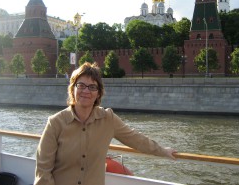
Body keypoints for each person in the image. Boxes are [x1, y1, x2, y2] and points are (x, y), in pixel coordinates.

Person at [34, 62, 177, 185]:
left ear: (98, 93)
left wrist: (162, 151)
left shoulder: (108, 119)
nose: (86, 91)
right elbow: (43, 170)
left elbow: (135, 139)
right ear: (73, 89)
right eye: (81, 85)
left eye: (92, 87)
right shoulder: (55, 123)